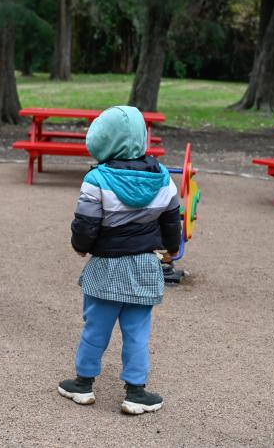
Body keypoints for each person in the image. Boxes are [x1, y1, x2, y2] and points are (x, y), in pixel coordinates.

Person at [58, 106, 181, 415]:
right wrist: (171, 248)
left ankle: (83, 385)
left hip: (106, 267)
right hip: (144, 266)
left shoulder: (96, 179)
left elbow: (86, 224)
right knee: (137, 332)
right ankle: (135, 392)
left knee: (95, 328)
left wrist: (80, 246)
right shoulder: (164, 179)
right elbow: (171, 222)